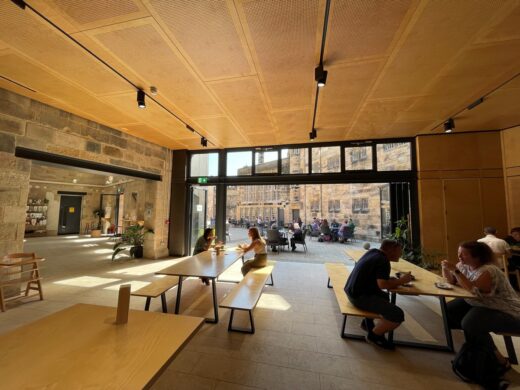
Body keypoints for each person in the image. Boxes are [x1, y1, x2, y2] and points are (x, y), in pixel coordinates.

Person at [442, 241, 520, 372]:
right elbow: (452, 281)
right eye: (458, 253)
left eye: (464, 254)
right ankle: (476, 349)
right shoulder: (464, 265)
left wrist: (455, 270)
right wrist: (446, 269)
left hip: (506, 310)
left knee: (471, 323)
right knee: (449, 312)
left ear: (477, 256)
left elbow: (475, 290)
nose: (459, 256)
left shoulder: (489, 270)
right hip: (483, 304)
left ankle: (497, 358)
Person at [344, 240, 413, 350]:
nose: (401, 253)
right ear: (391, 250)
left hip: (351, 291)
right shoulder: (383, 260)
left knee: (384, 297)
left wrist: (392, 280)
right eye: (400, 250)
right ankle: (374, 336)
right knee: (397, 314)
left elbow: (376, 278)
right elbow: (382, 284)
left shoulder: (373, 253)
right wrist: (402, 281)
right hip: (359, 297)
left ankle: (367, 324)